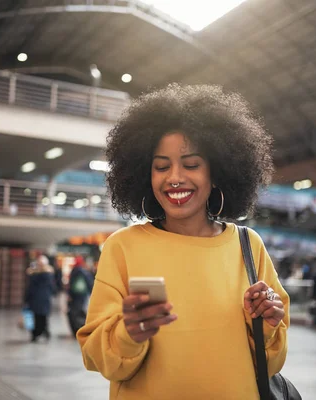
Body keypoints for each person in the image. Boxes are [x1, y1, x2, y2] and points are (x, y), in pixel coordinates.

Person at [77, 84, 289, 399]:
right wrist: (128, 334)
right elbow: (97, 356)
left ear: (217, 172)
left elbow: (270, 362)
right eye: (161, 166)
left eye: (191, 165)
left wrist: (268, 325)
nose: (175, 177)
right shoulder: (123, 247)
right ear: (144, 175)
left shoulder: (248, 245)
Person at [25, 255, 56, 342]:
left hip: (36, 299)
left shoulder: (35, 275)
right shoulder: (49, 275)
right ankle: (44, 332)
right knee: (43, 317)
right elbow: (53, 288)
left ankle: (37, 334)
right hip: (45, 299)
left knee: (36, 317)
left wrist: (26, 299)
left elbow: (31, 288)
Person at [67, 255, 95, 336]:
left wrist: (69, 295)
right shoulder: (83, 271)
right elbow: (89, 283)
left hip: (75, 296)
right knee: (80, 311)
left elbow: (70, 284)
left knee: (75, 312)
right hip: (81, 295)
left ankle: (77, 328)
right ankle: (80, 327)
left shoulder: (74, 271)